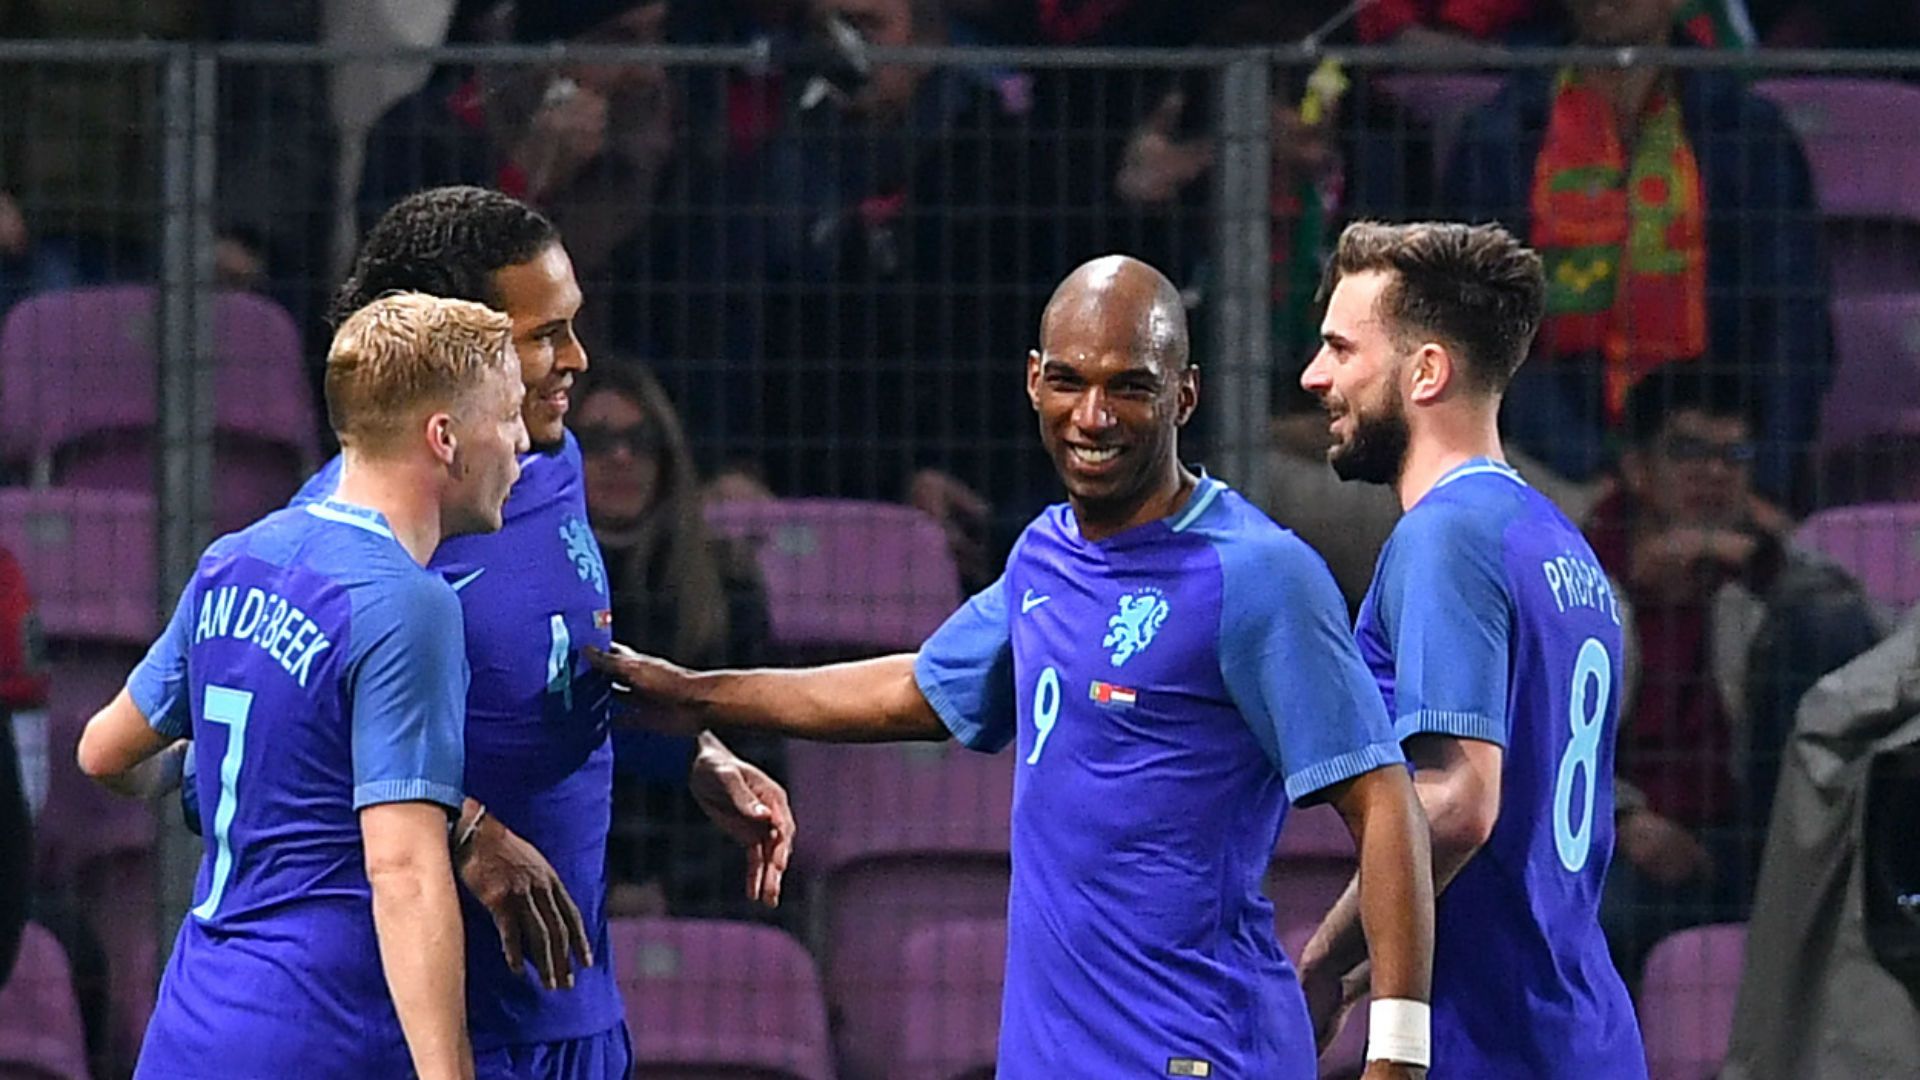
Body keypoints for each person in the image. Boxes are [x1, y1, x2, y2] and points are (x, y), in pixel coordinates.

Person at [593, 254, 1437, 1079]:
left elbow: (1384, 801)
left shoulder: (1257, 575)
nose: (1093, 415)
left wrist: (1399, 1052)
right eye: (1069, 381)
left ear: (1184, 395)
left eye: (1129, 387)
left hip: (1199, 1048)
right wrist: (702, 693)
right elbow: (912, 689)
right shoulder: (1046, 555)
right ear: (1034, 380)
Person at [289, 186, 795, 1079]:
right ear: (458, 344)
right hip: (411, 1039)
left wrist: (687, 755)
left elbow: (542, 672)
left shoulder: (553, 462)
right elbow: (248, 767)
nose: (577, 359)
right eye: (545, 336)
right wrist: (465, 830)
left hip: (574, 1021)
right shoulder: (338, 536)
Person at [75, 292, 529, 1079]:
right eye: (510, 415)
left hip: (190, 1027)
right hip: (322, 1034)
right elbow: (404, 872)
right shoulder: (406, 603)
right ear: (445, 438)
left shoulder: (234, 558)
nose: (522, 442)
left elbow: (103, 752)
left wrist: (210, 771)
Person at [1296, 221, 1645, 1078]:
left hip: (1493, 1041)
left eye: (1341, 349)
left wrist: (1327, 962)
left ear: (1426, 372)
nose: (1314, 376)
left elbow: (1459, 803)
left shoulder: (1445, 537)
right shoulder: (1558, 544)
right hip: (1580, 1028)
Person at [1442, 0, 1829, 506]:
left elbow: (1793, 319)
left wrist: (1763, 480)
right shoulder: (1503, 131)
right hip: (1549, 472)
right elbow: (1474, 328)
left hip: (1725, 466)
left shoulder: (1747, 131)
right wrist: (1589, 480)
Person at [1584, 364, 1881, 978]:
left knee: (1820, 623)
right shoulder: (1577, 569)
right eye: (1689, 452)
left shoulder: (1768, 573)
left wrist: (1755, 556)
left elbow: (1870, 638)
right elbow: (1532, 730)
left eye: (1734, 456)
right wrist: (1622, 818)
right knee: (1600, 919)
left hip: (1750, 843)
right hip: (1621, 839)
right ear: (1637, 468)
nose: (1715, 473)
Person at [572, 363, 778, 920]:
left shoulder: (728, 591)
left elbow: (754, 764)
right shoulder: (530, 590)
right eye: (597, 442)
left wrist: (672, 890)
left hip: (701, 894)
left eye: (640, 442)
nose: (621, 458)